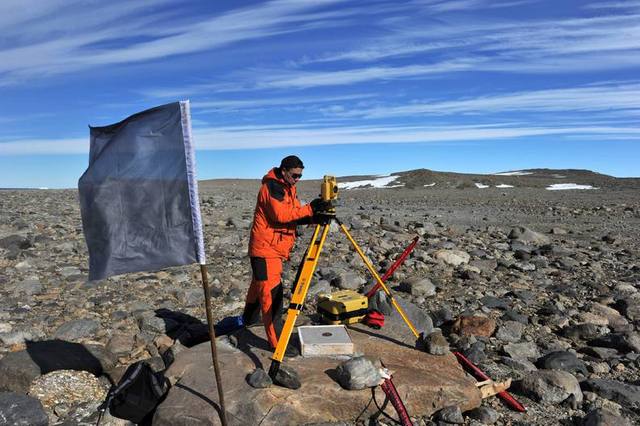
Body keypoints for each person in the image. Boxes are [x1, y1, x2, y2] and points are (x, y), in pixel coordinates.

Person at [242, 155, 331, 352]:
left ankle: (248, 319)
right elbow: (280, 215)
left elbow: (293, 215)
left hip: (273, 248)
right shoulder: (272, 187)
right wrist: (311, 208)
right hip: (265, 250)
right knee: (272, 295)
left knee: (260, 285)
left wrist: (313, 217)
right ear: (284, 171)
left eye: (300, 176)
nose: (297, 179)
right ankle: (278, 344)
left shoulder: (288, 187)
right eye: (294, 175)